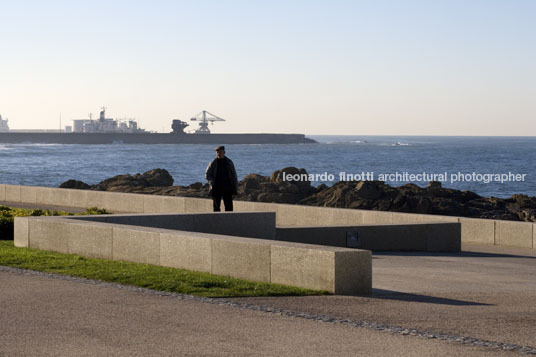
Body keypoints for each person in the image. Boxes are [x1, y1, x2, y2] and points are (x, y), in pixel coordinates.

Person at [205, 145, 238, 212]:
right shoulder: (213, 162)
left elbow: (234, 175)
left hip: (227, 187)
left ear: (224, 152)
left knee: (229, 207)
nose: (218, 154)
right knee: (216, 207)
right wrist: (212, 183)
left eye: (220, 152)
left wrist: (235, 186)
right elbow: (207, 174)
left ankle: (229, 220)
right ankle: (216, 221)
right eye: (217, 152)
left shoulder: (229, 162)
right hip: (216, 187)